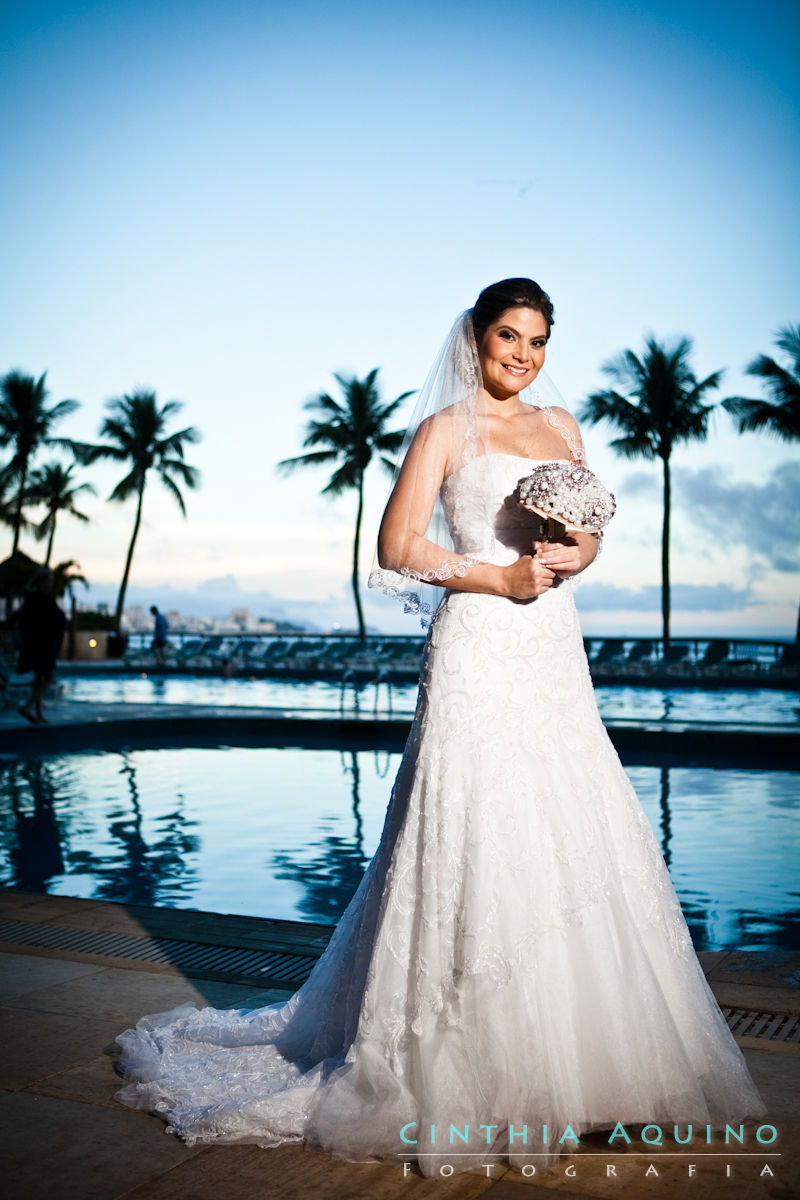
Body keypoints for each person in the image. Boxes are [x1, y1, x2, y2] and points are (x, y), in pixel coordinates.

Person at [113, 279, 766, 1177]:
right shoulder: (446, 429)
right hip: (477, 646)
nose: (522, 355)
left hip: (552, 654)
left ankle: (582, 1066)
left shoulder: (565, 427)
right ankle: (454, 1068)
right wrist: (494, 580)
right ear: (478, 335)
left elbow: (589, 528)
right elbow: (395, 546)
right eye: (508, 336)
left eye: (538, 341)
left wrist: (583, 552)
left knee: (568, 830)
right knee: (470, 834)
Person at [16, 567, 67, 725]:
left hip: (34, 645)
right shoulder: (44, 598)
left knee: (39, 680)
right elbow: (55, 619)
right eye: (49, 581)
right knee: (49, 678)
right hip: (44, 646)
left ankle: (38, 714)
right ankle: (28, 706)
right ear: (43, 582)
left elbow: (23, 619)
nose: (51, 584)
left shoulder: (30, 598)